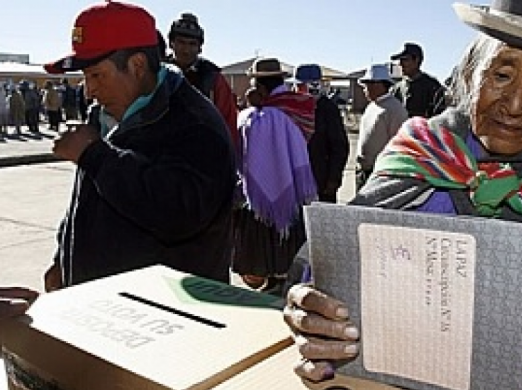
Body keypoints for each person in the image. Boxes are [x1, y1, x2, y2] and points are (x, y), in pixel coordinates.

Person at [284, 0, 522, 380]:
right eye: (501, 75)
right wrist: (313, 305)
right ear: (468, 77)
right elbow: (332, 263)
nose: (514, 104)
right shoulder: (419, 149)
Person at [41, 0, 237, 290]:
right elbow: (88, 198)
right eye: (85, 77)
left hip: (162, 315)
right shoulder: (105, 113)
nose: (89, 90)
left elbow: (179, 215)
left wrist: (95, 155)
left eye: (96, 75)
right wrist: (64, 257)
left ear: (137, 66)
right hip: (102, 305)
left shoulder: (195, 124)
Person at [232, 58, 317, 294]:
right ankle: (284, 283)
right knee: (290, 248)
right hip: (294, 193)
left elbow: (245, 156)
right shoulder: (298, 108)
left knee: (264, 247)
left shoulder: (257, 118)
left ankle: (271, 284)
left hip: (260, 201)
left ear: (258, 85)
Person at [166, 12, 238, 146]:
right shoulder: (157, 74)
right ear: (171, 44)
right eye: (181, 42)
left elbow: (228, 122)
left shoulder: (212, 79)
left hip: (204, 151)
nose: (186, 50)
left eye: (192, 44)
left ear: (200, 48)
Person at [292, 64, 350, 203]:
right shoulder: (292, 109)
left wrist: (333, 179)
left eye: (300, 86)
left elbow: (340, 147)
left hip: (321, 181)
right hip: (297, 181)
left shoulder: (328, 109)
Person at [354, 64, 408, 191]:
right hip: (363, 171)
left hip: (379, 174)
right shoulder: (371, 106)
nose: (364, 89)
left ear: (377, 85)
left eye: (367, 85)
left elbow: (399, 144)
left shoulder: (394, 109)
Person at [390, 42, 446, 118]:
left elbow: (439, 119)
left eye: (405, 60)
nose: (400, 64)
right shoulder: (396, 89)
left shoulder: (433, 87)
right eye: (400, 60)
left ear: (416, 60)